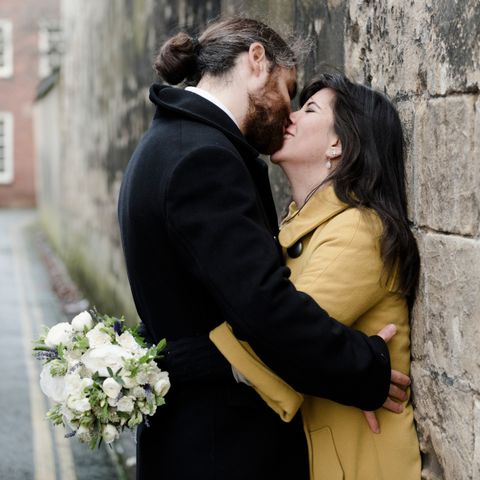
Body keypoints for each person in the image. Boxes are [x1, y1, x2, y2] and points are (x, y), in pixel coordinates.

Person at [117, 17, 408, 479]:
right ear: (257, 61)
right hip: (221, 448)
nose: (286, 110)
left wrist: (183, 359)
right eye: (288, 90)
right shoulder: (203, 157)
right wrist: (365, 371)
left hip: (194, 441)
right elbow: (266, 309)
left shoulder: (165, 144)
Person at [210, 73, 422, 479]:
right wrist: (352, 374)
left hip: (358, 463)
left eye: (308, 109)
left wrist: (184, 352)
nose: (288, 115)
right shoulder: (302, 227)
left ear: (337, 143)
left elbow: (282, 342)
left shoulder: (359, 230)